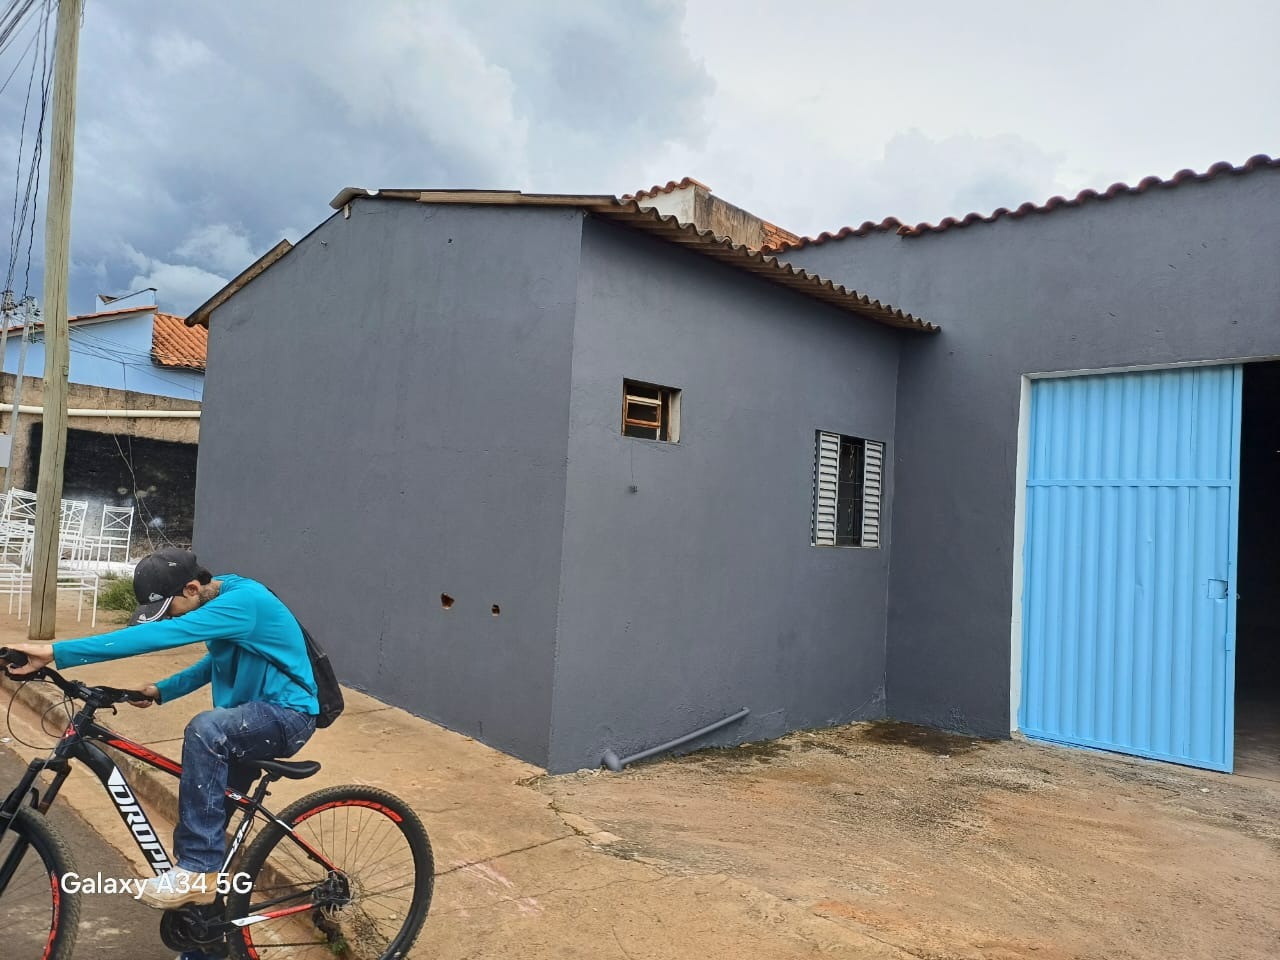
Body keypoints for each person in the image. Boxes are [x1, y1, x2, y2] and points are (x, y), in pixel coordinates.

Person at [5, 546, 319, 925]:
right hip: (246, 721)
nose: (164, 619)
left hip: (287, 716)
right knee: (199, 822)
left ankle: (198, 873)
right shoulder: (219, 595)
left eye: (166, 608)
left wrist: (53, 650)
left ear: (190, 589)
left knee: (206, 729)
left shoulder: (245, 601)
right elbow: (214, 663)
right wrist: (161, 689)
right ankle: (203, 933)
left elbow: (160, 637)